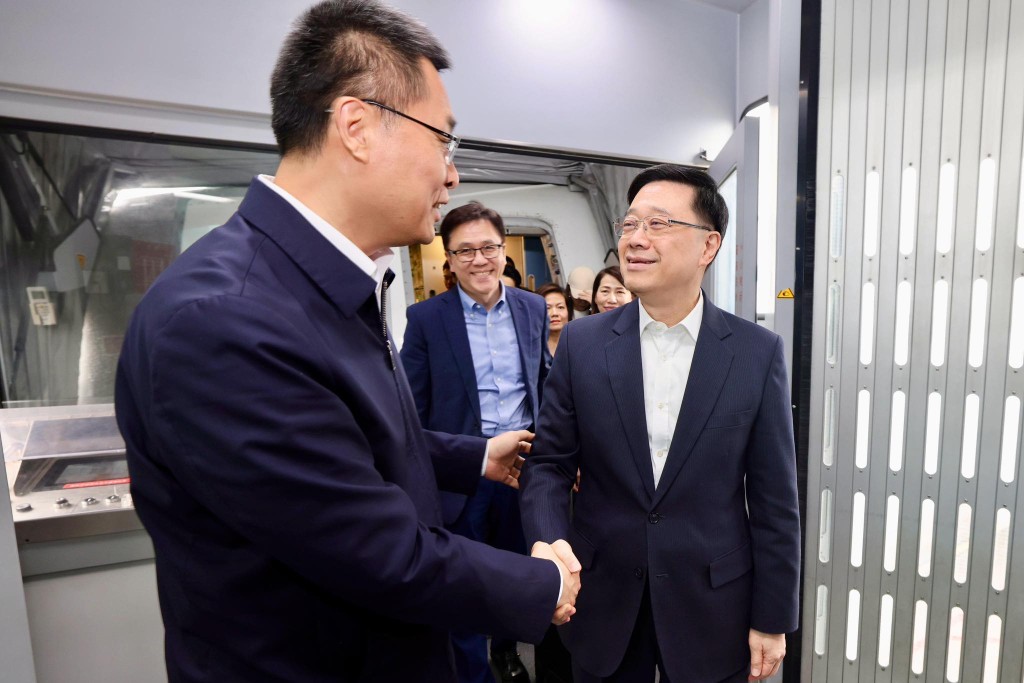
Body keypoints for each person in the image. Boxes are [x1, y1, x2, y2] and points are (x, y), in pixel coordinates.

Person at [114, 3, 579, 681]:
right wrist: (540, 584)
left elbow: (357, 440)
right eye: (442, 141)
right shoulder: (224, 319)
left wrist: (474, 456)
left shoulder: (316, 281)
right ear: (357, 127)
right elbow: (377, 550)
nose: (452, 175)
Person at [520, 164, 800, 683]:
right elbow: (549, 467)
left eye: (659, 224)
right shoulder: (585, 345)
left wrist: (774, 617)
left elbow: (774, 501)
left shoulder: (756, 353)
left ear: (708, 246)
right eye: (629, 225)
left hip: (713, 603)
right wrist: (547, 540)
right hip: (600, 596)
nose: (636, 239)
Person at [401, 201, 550, 683]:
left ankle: (507, 652)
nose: (479, 260)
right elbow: (410, 409)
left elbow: (543, 382)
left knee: (512, 569)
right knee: (461, 584)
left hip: (521, 468)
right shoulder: (426, 319)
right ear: (448, 258)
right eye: (464, 251)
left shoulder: (531, 308)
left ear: (504, 252)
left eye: (488, 247)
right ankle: (471, 671)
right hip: (461, 472)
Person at [536, 282, 572, 363]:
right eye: (547, 308)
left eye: (560, 307)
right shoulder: (532, 349)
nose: (554, 313)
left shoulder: (579, 344)